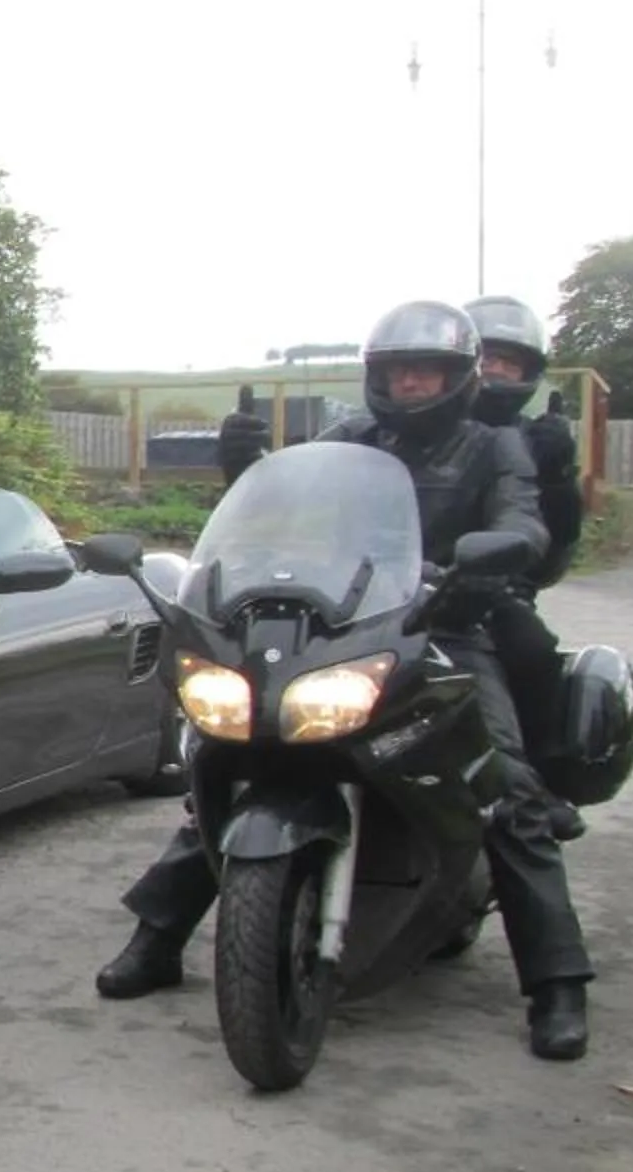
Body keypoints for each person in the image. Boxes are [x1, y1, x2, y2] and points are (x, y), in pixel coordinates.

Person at [97, 299, 598, 1062]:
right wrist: (247, 469)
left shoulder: (494, 447)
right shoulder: (351, 438)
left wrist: (496, 552)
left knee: (508, 790)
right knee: (239, 753)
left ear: (458, 378)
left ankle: (557, 984)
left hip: (451, 623)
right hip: (349, 621)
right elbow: (287, 508)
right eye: (396, 372)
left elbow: (526, 522)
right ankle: (159, 936)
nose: (410, 386)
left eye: (425, 371)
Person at [465, 294, 582, 763]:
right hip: (386, 592)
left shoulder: (535, 441)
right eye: (483, 357)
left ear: (528, 373)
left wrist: (557, 478)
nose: (492, 370)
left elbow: (552, 564)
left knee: (531, 650)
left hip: (491, 597)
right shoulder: (406, 429)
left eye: (507, 361)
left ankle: (537, 774)